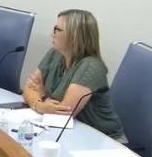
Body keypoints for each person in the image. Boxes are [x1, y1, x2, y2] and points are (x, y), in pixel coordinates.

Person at [22, 9, 125, 141]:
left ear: (74, 36)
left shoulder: (91, 66)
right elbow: (28, 88)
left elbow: (63, 114)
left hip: (104, 141)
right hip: (70, 133)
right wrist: (40, 104)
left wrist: (41, 95)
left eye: (57, 30)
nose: (51, 34)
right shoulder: (54, 54)